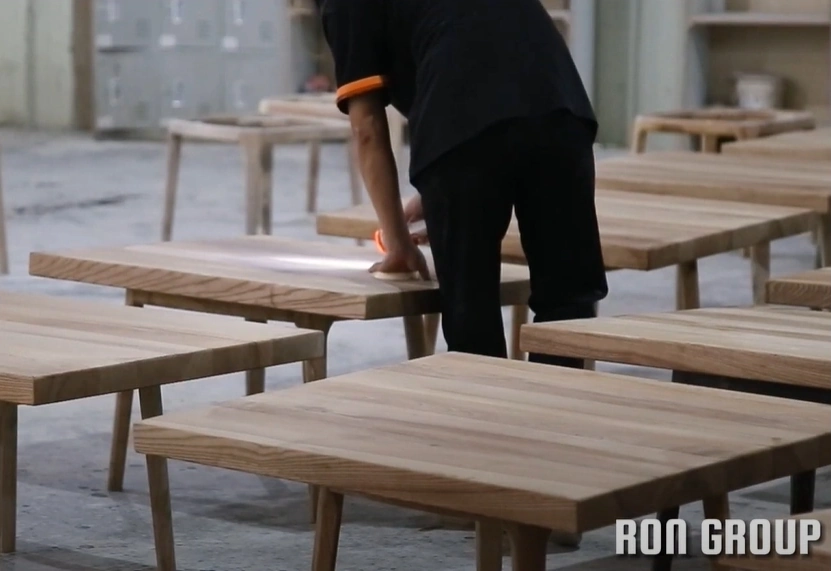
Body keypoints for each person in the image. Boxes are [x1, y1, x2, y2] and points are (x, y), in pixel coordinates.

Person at [316, 0, 608, 367]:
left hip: (461, 131)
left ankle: (486, 418)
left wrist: (398, 242)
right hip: (560, 108)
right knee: (568, 301)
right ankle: (558, 418)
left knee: (472, 313)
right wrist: (437, 190)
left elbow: (368, 130)